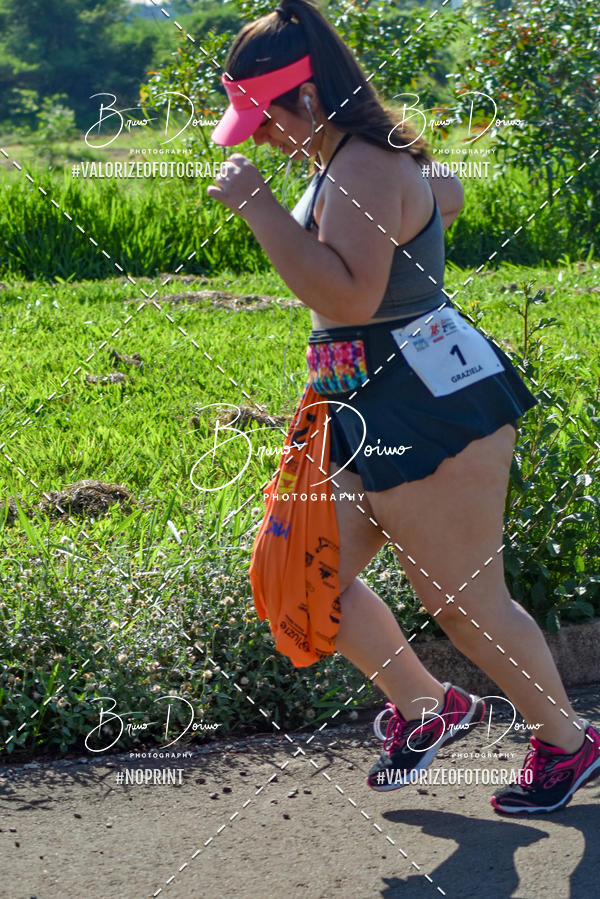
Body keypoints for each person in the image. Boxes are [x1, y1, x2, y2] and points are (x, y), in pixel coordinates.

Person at [208, 0, 600, 814]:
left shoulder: (363, 167)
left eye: (267, 120)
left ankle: (569, 742)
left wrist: (259, 209)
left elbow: (347, 298)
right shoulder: (360, 163)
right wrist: (413, 221)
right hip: (356, 405)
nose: (266, 140)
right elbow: (443, 194)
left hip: (431, 411)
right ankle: (431, 707)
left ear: (306, 99)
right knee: (301, 581)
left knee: (465, 605)